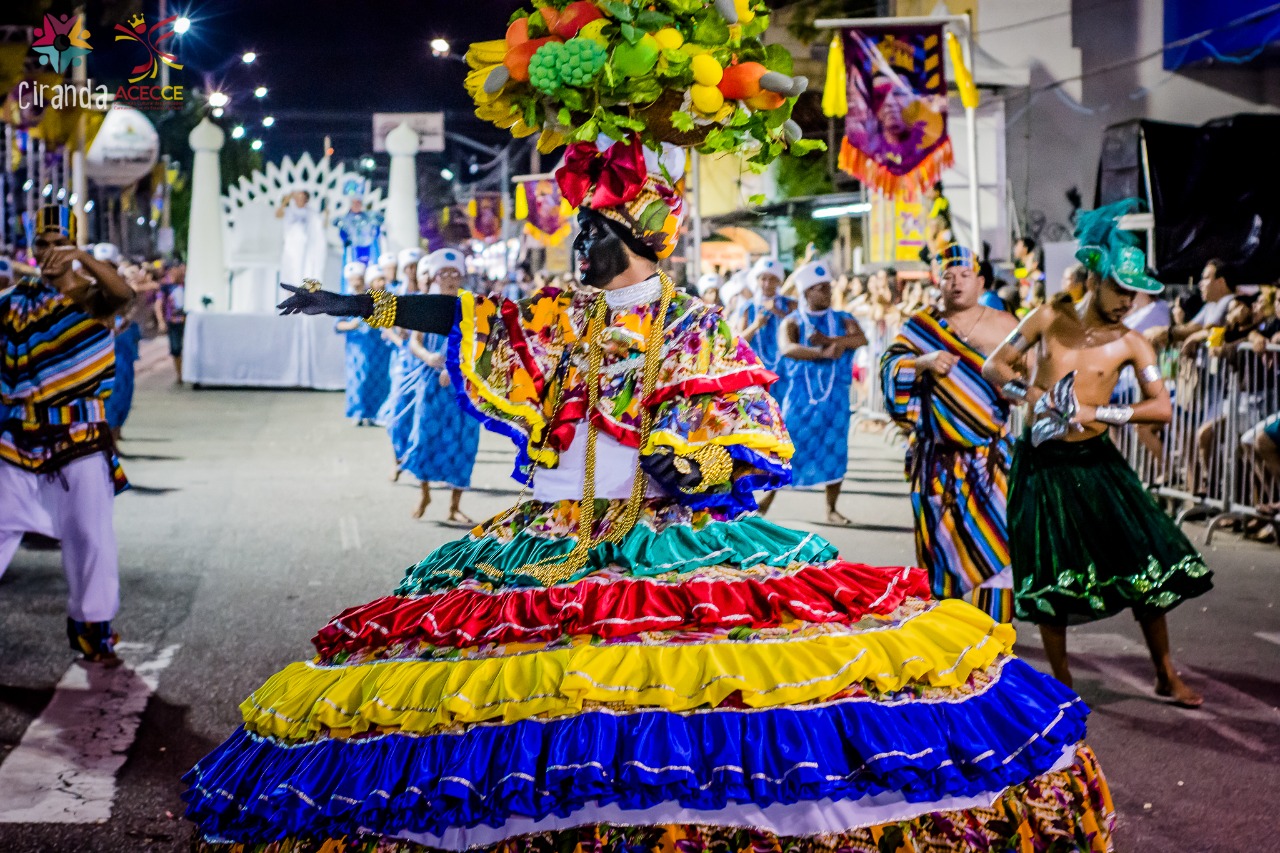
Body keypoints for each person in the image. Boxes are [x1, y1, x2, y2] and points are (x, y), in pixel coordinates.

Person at [184, 56, 1116, 853]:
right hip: (548, 539)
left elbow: (755, 429)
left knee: (688, 707)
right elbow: (470, 315)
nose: (574, 242)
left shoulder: (694, 325)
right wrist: (357, 304)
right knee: (512, 703)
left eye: (590, 231)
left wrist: (695, 465)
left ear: (631, 244)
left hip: (664, 541)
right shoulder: (558, 315)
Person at [982, 201, 1214, 706]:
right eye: (1119, 289)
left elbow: (1161, 407)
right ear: (1092, 278)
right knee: (1049, 573)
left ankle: (1165, 673)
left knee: (1144, 561)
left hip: (1098, 463)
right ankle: (1062, 683)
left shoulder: (1133, 344)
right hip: (1041, 463)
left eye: (1133, 293)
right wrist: (1030, 393)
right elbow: (994, 366)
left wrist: (1099, 412)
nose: (1127, 302)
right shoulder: (1047, 317)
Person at [0, 205, 133, 665]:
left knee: (89, 536)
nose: (51, 251)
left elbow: (124, 293)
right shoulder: (16, 300)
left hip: (80, 435)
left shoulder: (93, 297)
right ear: (33, 249)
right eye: (43, 243)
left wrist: (84, 259)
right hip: (19, 434)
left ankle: (93, 629)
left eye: (61, 243)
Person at [882, 244, 1020, 622]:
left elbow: (1031, 375)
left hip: (991, 461)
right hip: (937, 462)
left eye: (965, 276)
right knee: (941, 556)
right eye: (948, 276)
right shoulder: (920, 327)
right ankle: (949, 641)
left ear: (980, 282)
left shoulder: (1006, 325)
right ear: (937, 282)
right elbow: (889, 369)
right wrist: (922, 363)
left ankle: (994, 639)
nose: (957, 283)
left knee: (999, 552)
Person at [769, 261, 866, 524]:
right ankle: (764, 502)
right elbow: (787, 348)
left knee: (836, 450)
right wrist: (821, 352)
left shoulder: (843, 319)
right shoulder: (792, 321)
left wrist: (831, 341)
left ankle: (831, 508)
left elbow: (861, 339)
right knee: (785, 449)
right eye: (820, 288)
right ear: (806, 293)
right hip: (800, 398)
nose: (827, 292)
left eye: (828, 287)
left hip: (835, 398)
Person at [400, 248, 480, 521]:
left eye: (454, 273)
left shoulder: (472, 306)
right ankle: (424, 493)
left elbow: (479, 345)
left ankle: (454, 506)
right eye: (443, 273)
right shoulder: (427, 306)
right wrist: (428, 356)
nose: (449, 278)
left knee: (464, 442)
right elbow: (414, 342)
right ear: (434, 276)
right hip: (431, 383)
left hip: (463, 386)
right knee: (425, 437)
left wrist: (456, 368)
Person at [335, 261, 393, 426]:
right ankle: (358, 412)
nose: (357, 282)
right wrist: (351, 325)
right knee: (358, 379)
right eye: (353, 279)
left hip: (378, 347)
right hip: (357, 348)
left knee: (377, 379)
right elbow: (338, 325)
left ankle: (375, 413)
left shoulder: (374, 298)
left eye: (359, 278)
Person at [95, 244, 141, 442]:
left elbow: (129, 307)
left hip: (121, 348)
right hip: (100, 350)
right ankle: (106, 442)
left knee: (122, 393)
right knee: (104, 398)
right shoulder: (87, 287)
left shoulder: (122, 287)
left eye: (109, 266)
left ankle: (114, 436)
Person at [1145, 257, 1234, 349]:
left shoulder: (1229, 300)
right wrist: (1173, 326)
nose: (1200, 284)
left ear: (1220, 282)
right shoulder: (1210, 305)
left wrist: (1167, 333)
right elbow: (1192, 327)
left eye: (1206, 278)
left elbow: (1208, 328)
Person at [275, 189, 325, 288]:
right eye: (298, 197)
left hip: (306, 250)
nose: (300, 200)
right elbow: (278, 215)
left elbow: (318, 229)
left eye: (302, 197)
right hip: (291, 249)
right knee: (291, 273)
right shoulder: (289, 211)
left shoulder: (311, 213)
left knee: (304, 272)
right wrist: (286, 200)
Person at [334, 195, 383, 273]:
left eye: (359, 203)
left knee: (370, 269)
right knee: (354, 270)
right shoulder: (345, 218)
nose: (357, 205)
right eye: (354, 203)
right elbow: (337, 224)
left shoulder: (367, 217)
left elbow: (378, 221)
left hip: (368, 248)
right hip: (353, 249)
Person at [155, 262, 186, 383]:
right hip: (173, 322)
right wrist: (161, 321)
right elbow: (159, 304)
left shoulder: (186, 284)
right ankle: (180, 375)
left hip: (186, 321)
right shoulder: (165, 286)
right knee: (176, 348)